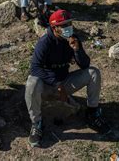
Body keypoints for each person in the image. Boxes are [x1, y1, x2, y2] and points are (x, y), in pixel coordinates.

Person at [25, 9, 108, 147]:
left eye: (69, 23)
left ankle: (92, 113)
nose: (67, 28)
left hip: (65, 82)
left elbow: (84, 65)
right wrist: (57, 84)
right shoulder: (45, 42)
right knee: (32, 82)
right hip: (46, 86)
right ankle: (37, 123)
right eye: (63, 25)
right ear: (54, 28)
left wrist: (77, 50)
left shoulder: (72, 39)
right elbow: (35, 68)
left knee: (94, 72)